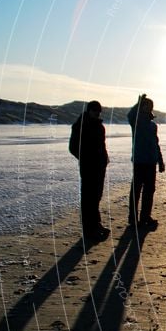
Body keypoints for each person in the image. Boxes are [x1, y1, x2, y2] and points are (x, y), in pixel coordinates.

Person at [69, 100, 110, 241]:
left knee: (96, 197)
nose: (97, 114)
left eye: (99, 112)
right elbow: (73, 147)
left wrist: (104, 158)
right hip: (88, 167)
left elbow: (102, 146)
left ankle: (96, 225)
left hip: (100, 166)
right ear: (89, 111)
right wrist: (86, 158)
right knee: (88, 199)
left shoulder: (100, 127)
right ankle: (88, 230)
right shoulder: (80, 126)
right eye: (95, 111)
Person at [127, 94, 165, 229]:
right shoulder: (136, 122)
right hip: (139, 161)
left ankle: (145, 217)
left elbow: (155, 143)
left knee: (149, 191)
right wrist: (137, 103)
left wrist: (160, 160)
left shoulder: (153, 125)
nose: (149, 108)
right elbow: (130, 115)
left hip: (151, 162)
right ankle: (133, 218)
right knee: (136, 190)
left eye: (150, 106)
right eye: (146, 106)